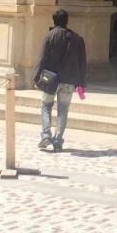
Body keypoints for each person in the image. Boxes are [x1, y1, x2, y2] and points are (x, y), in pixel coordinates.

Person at [34, 9, 87, 152]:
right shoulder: (77, 38)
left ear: (54, 20)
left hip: (50, 78)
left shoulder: (49, 36)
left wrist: (36, 77)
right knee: (63, 110)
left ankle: (46, 135)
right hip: (69, 79)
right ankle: (58, 140)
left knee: (46, 105)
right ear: (67, 20)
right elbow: (82, 62)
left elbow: (42, 59)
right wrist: (81, 82)